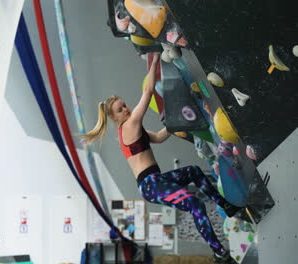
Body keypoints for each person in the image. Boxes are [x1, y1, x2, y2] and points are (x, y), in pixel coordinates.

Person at [81, 53, 241, 264]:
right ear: (114, 118)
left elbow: (158, 137)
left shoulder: (133, 129)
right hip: (151, 185)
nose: (126, 109)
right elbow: (147, 92)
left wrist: (177, 121)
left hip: (156, 180)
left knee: (193, 171)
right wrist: (155, 60)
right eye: (120, 109)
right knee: (194, 204)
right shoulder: (128, 126)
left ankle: (226, 206)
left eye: (125, 105)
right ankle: (219, 253)